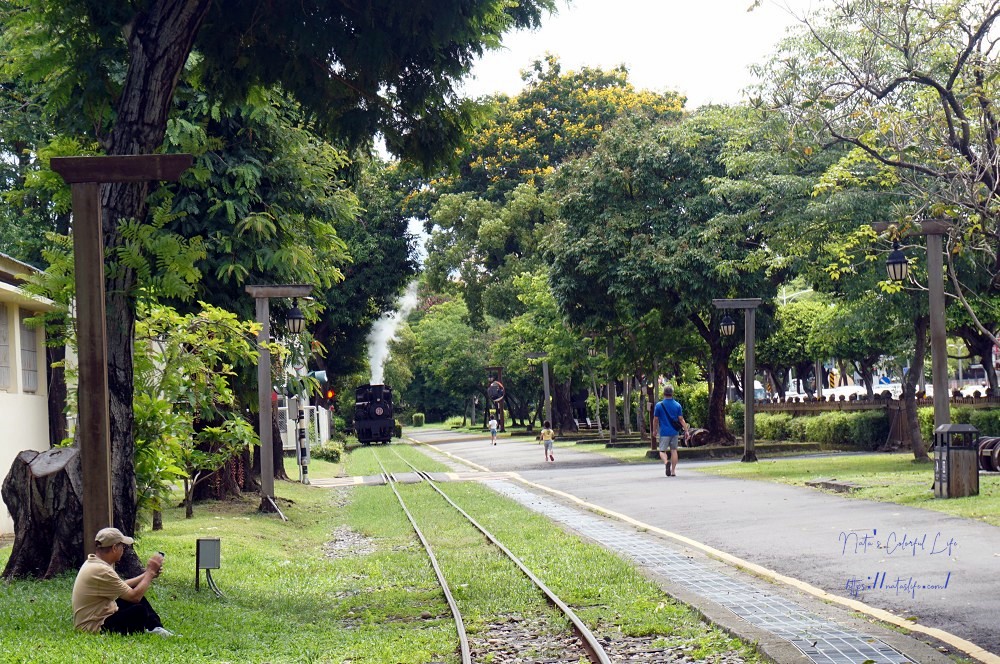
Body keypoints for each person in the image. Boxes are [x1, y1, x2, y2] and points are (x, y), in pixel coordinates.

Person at [72, 527, 172, 636]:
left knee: (133, 596)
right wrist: (150, 573)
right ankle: (154, 629)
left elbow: (122, 585)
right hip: (95, 627)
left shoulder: (94, 563)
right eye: (122, 546)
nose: (123, 550)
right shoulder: (102, 570)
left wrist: (147, 575)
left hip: (96, 618)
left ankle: (156, 628)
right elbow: (135, 597)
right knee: (139, 611)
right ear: (114, 548)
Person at [651, 385, 689, 477]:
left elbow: (655, 419)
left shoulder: (659, 405)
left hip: (664, 432)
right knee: (674, 450)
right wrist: (686, 430)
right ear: (672, 393)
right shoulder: (677, 405)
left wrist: (654, 430)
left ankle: (666, 462)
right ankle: (673, 471)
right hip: (674, 432)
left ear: (663, 393)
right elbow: (681, 419)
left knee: (662, 451)